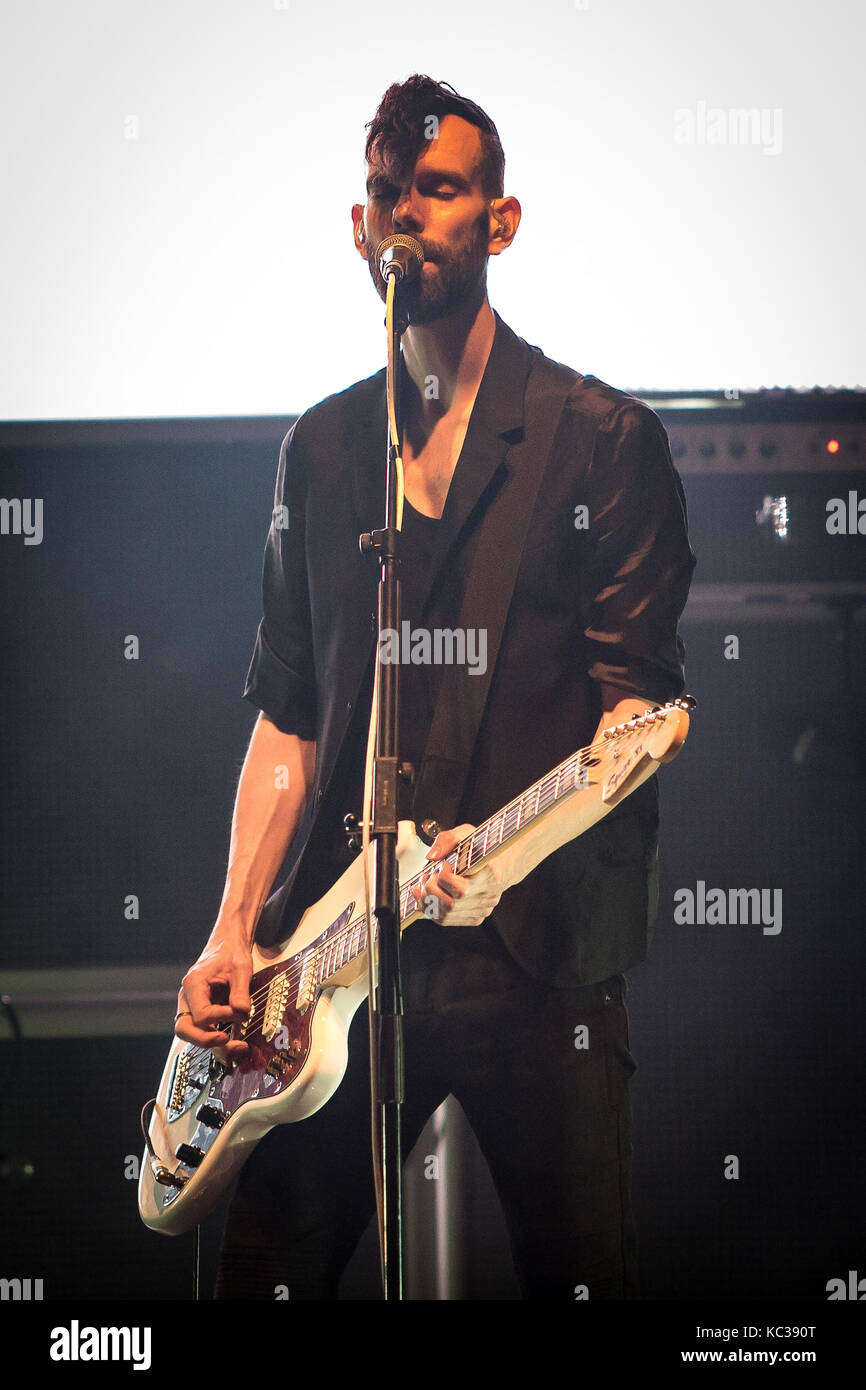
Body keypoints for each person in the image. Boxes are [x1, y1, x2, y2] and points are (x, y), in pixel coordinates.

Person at [174, 74, 696, 1300]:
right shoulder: (321, 447)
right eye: (385, 194)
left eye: (438, 190)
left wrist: (518, 840)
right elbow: (289, 709)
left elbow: (641, 711)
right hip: (337, 956)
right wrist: (232, 926)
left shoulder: (599, 439)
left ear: (498, 222)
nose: (406, 214)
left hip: (534, 953)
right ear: (360, 229)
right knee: (253, 1275)